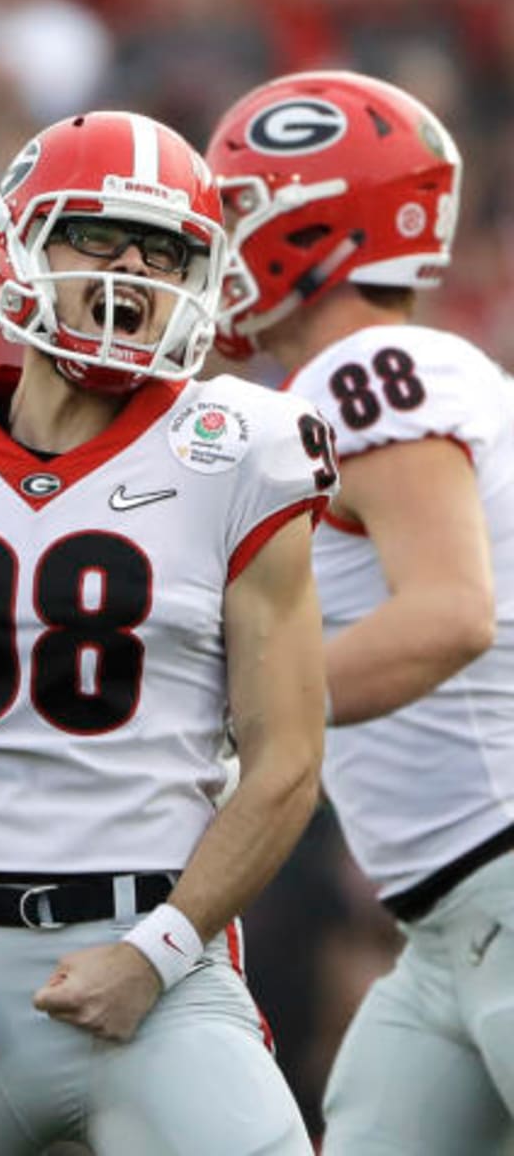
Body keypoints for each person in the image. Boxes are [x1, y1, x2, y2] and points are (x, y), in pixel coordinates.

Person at [0, 109, 337, 1155]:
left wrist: (155, 954)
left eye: (170, 249)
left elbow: (287, 759)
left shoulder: (239, 448)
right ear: (18, 243)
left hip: (159, 964)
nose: (135, 271)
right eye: (98, 234)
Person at [206, 69, 514, 1153]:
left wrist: (221, 711)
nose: (216, 243)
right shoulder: (362, 380)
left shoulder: (363, 372)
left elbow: (448, 616)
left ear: (318, 223)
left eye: (236, 211)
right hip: (446, 924)